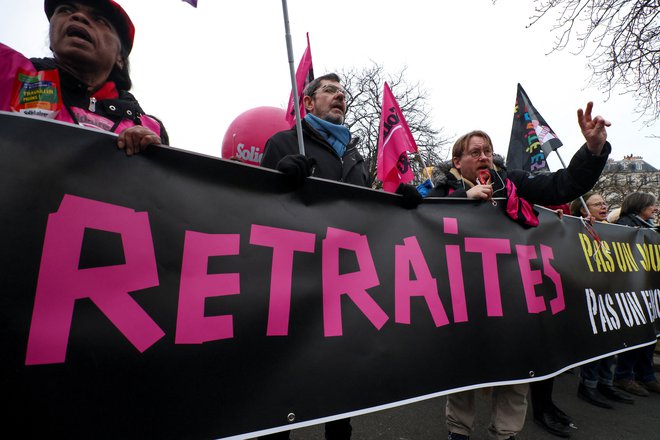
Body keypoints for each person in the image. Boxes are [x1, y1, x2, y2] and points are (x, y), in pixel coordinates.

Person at [427, 102, 612, 440]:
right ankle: (459, 432)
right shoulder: (441, 189)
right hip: (464, 299)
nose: (484, 156)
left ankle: (505, 433)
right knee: (464, 373)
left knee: (516, 371)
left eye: (488, 151)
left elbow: (562, 186)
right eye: (475, 151)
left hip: (514, 298)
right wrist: (462, 198)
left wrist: (593, 149)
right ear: (458, 162)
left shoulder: (510, 183)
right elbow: (418, 213)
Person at [259, 73, 366, 440]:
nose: (339, 96)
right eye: (330, 91)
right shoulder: (284, 143)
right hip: (293, 285)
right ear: (307, 103)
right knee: (282, 387)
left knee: (340, 393)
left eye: (342, 93)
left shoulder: (355, 157)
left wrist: (404, 203)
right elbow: (256, 207)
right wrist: (277, 176)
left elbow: (369, 216)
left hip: (343, 287)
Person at [0, 0, 167, 155]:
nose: (78, 16)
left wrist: (151, 154)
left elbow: (163, 184)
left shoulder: (149, 126)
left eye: (100, 19)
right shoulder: (8, 69)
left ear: (120, 58)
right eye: (65, 10)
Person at [569, 193, 636, 410]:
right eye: (597, 204)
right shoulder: (576, 228)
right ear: (583, 209)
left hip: (612, 293)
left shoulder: (613, 230)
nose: (604, 206)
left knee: (612, 342)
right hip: (591, 295)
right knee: (596, 344)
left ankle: (606, 383)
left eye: (604, 202)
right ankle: (588, 385)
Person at [613, 192, 660, 397]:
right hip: (633, 287)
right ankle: (624, 375)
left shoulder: (649, 226)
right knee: (635, 333)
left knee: (649, 333)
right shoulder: (625, 225)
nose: (655, 208)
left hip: (649, 286)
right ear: (640, 206)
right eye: (652, 205)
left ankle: (646, 374)